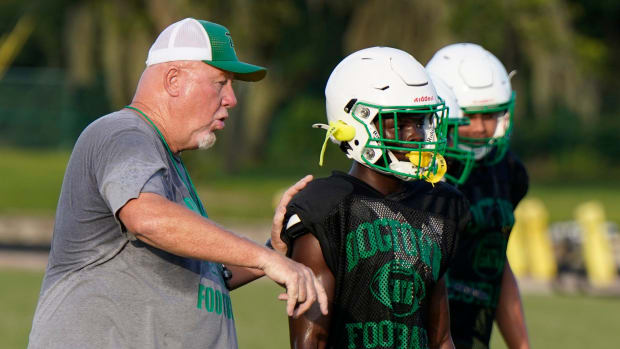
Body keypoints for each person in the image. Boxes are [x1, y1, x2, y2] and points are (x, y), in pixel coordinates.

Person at [28, 18, 327, 349]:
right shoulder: (122, 133)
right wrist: (264, 258)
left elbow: (207, 277)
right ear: (173, 80)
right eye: (220, 83)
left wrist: (275, 249)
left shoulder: (168, 161)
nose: (232, 98)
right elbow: (146, 218)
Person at [273, 47, 471, 349]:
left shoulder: (440, 205)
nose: (416, 135)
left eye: (420, 122)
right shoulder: (327, 207)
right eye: (400, 123)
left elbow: (441, 338)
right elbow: (311, 340)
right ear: (355, 121)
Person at [426, 43, 530, 349]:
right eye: (472, 116)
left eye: (492, 115)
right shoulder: (416, 175)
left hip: (472, 333)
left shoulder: (508, 170)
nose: (483, 128)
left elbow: (496, 261)